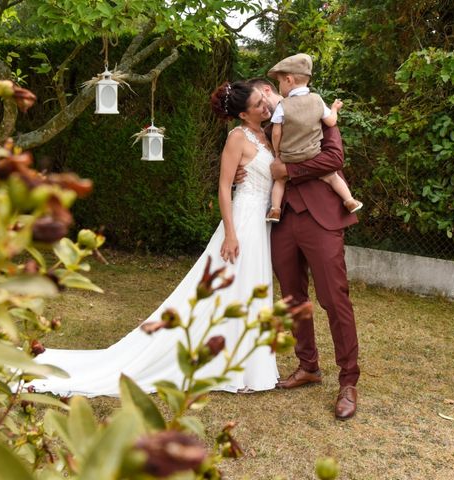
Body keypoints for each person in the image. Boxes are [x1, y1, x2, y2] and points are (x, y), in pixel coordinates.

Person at [29, 81, 280, 397]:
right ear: (243, 113)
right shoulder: (237, 138)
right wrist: (230, 233)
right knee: (232, 288)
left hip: (261, 223)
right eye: (259, 104)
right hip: (242, 222)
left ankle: (247, 362)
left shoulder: (267, 134)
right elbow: (223, 186)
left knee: (249, 288)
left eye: (264, 101)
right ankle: (229, 363)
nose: (265, 106)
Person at [245, 77, 361, 420]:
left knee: (334, 298)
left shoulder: (315, 109)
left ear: (277, 86)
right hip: (281, 220)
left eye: (265, 94)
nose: (264, 105)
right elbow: (257, 160)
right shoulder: (270, 127)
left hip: (321, 218)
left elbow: (334, 157)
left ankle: (348, 381)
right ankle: (307, 365)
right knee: (293, 297)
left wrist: (290, 170)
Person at [264, 53, 362, 223]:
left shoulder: (283, 105)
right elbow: (331, 122)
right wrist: (334, 109)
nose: (279, 87)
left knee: (279, 180)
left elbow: (276, 132)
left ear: (288, 80)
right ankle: (350, 201)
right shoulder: (317, 100)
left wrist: (279, 153)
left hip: (290, 157)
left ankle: (275, 210)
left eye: (279, 82)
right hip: (313, 154)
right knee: (332, 176)